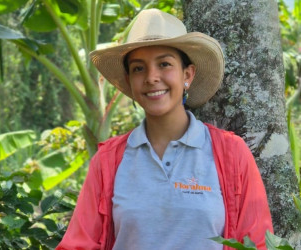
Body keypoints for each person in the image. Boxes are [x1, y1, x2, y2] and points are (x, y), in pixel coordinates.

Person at [56, 8, 273, 250]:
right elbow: (78, 244)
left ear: (187, 74)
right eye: (139, 68)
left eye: (164, 64)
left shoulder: (232, 154)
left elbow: (256, 243)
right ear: (129, 80)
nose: (151, 77)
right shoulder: (107, 162)